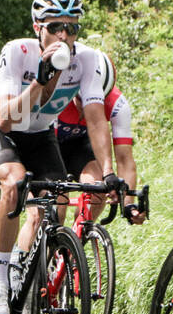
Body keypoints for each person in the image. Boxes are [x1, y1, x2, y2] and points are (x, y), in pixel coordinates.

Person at [0, 0, 118, 314]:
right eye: (56, 27)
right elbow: (6, 120)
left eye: (72, 28)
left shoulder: (86, 60)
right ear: (37, 27)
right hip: (0, 127)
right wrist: (40, 83)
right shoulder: (18, 52)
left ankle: (25, 276)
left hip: (41, 134)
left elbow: (97, 121)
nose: (64, 35)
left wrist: (109, 172)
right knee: (14, 183)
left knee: (56, 202)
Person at [55, 51, 147, 225]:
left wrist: (128, 204)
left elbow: (125, 160)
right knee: (57, 204)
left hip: (79, 147)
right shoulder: (59, 98)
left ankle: (76, 243)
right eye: (84, 101)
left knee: (98, 188)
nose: (90, 108)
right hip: (49, 146)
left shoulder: (118, 105)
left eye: (99, 102)